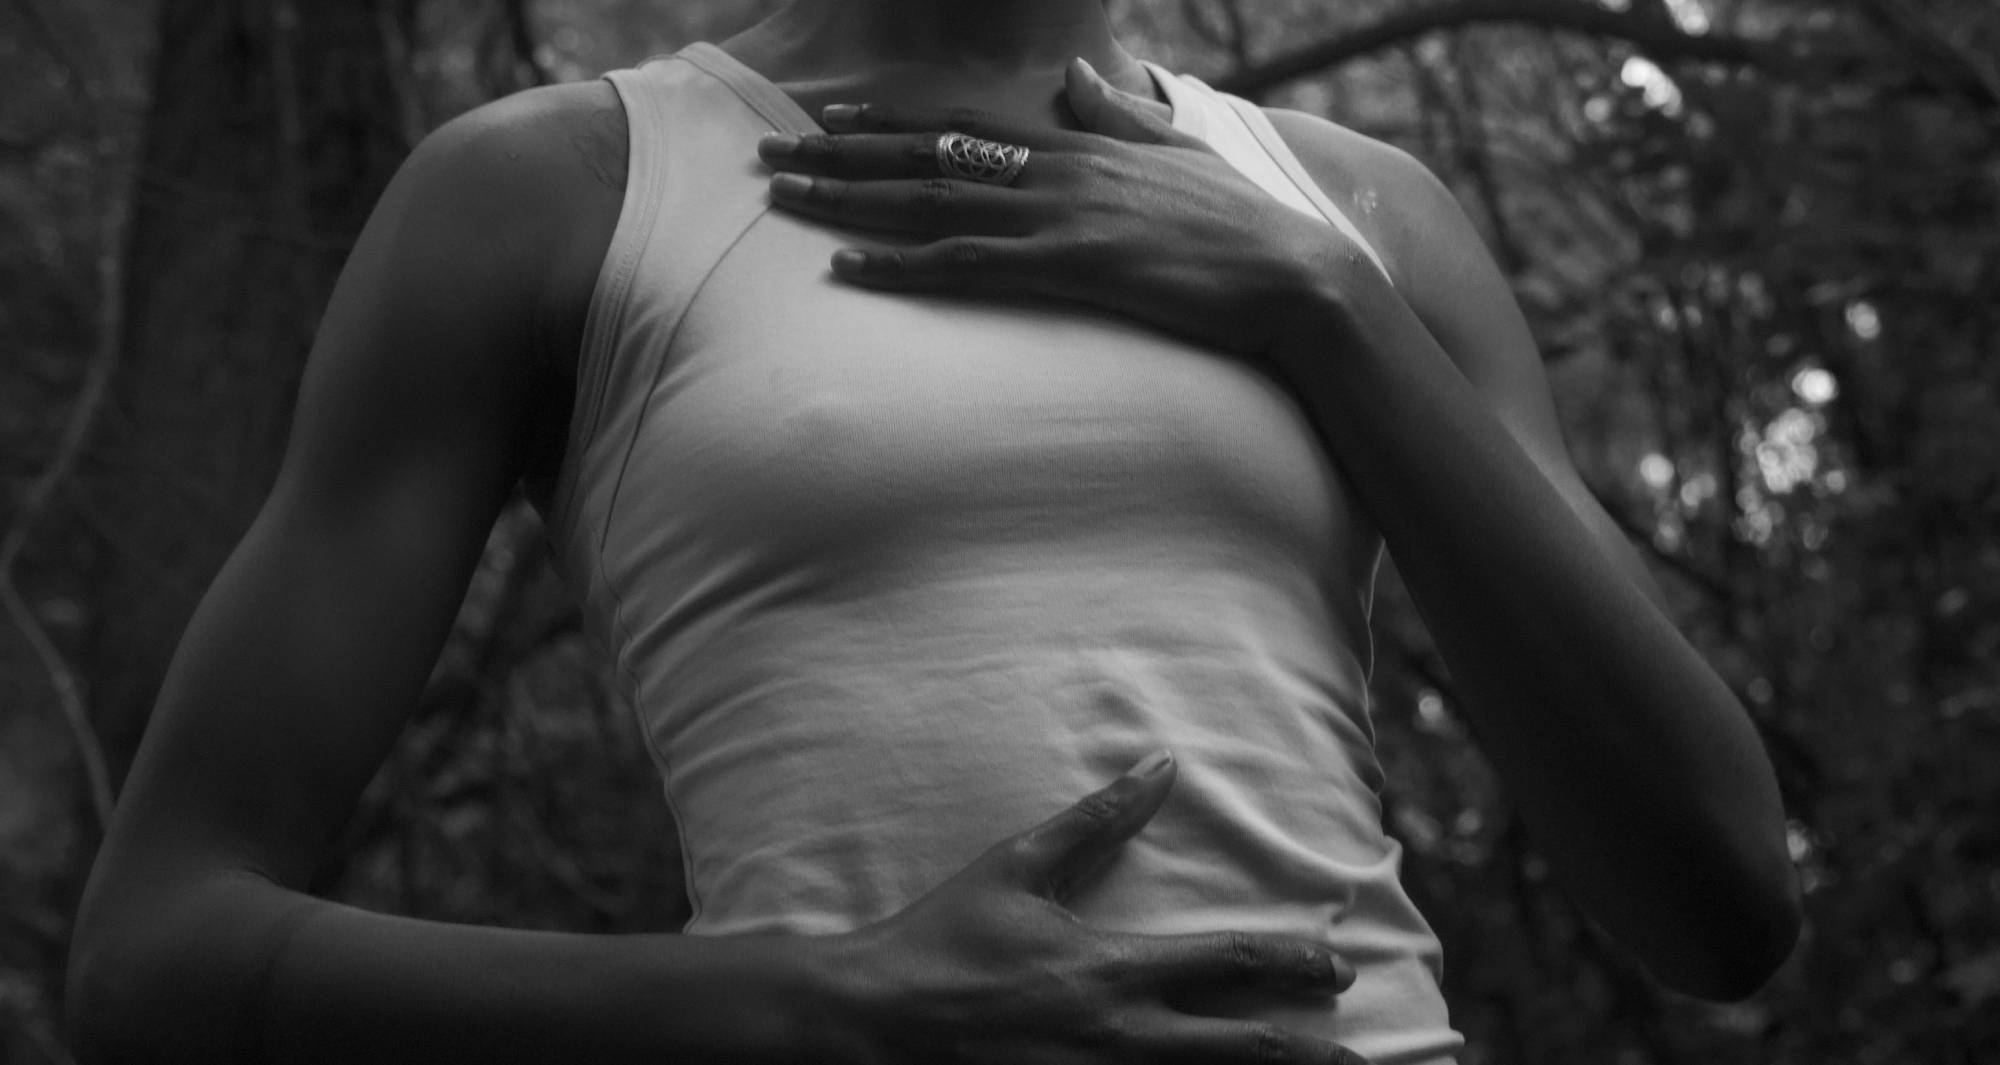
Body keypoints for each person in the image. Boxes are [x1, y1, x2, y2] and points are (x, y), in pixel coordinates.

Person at [65, 1, 1802, 1062]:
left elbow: (1720, 903)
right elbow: (157, 955)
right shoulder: (550, 194)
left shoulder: (1356, 218)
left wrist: (1317, 310)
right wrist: (811, 1012)